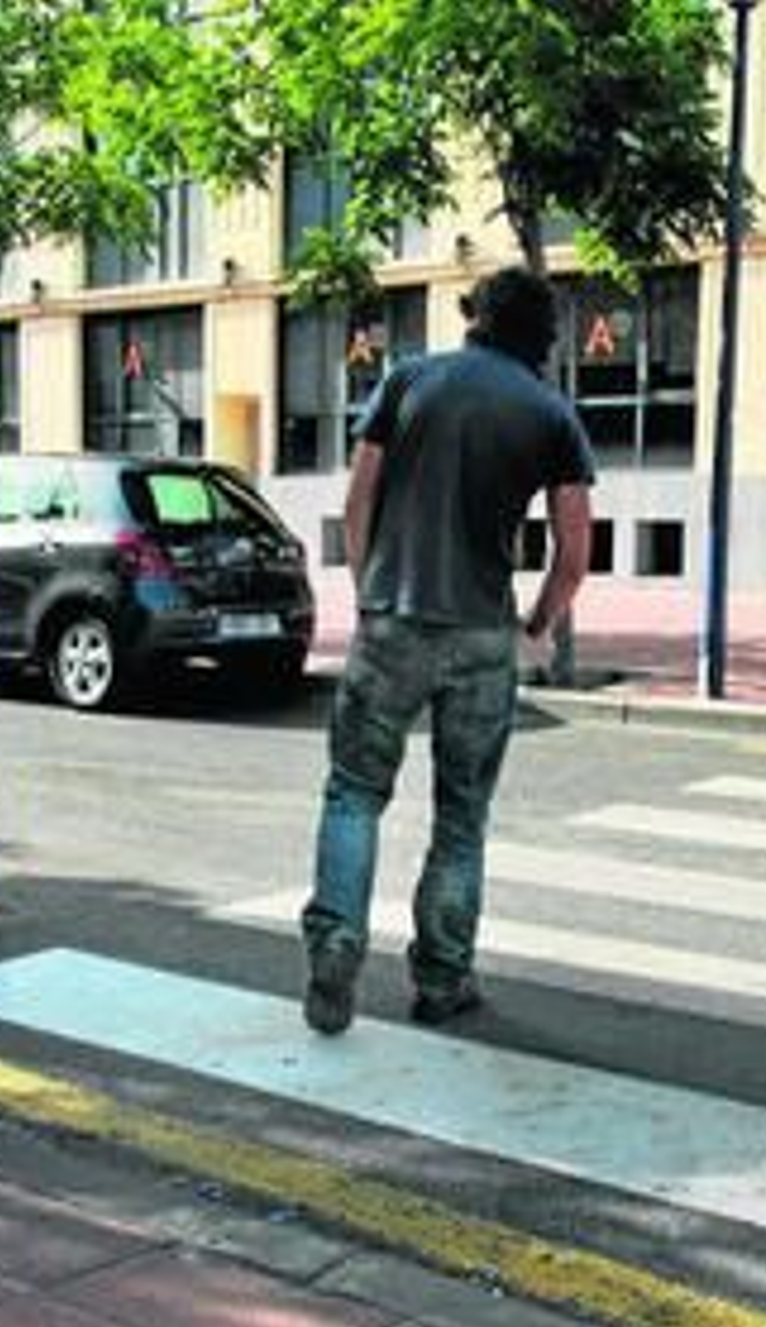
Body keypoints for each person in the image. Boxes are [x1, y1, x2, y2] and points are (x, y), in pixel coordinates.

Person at [301, 265, 594, 1035]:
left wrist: (370, 591)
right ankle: (442, 979)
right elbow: (573, 555)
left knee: (354, 793)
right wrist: (535, 629)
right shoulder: (551, 414)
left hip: (392, 620)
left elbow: (358, 501)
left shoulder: (407, 380)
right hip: (483, 635)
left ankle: (336, 944)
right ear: (542, 336)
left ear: (475, 316)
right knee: (461, 818)